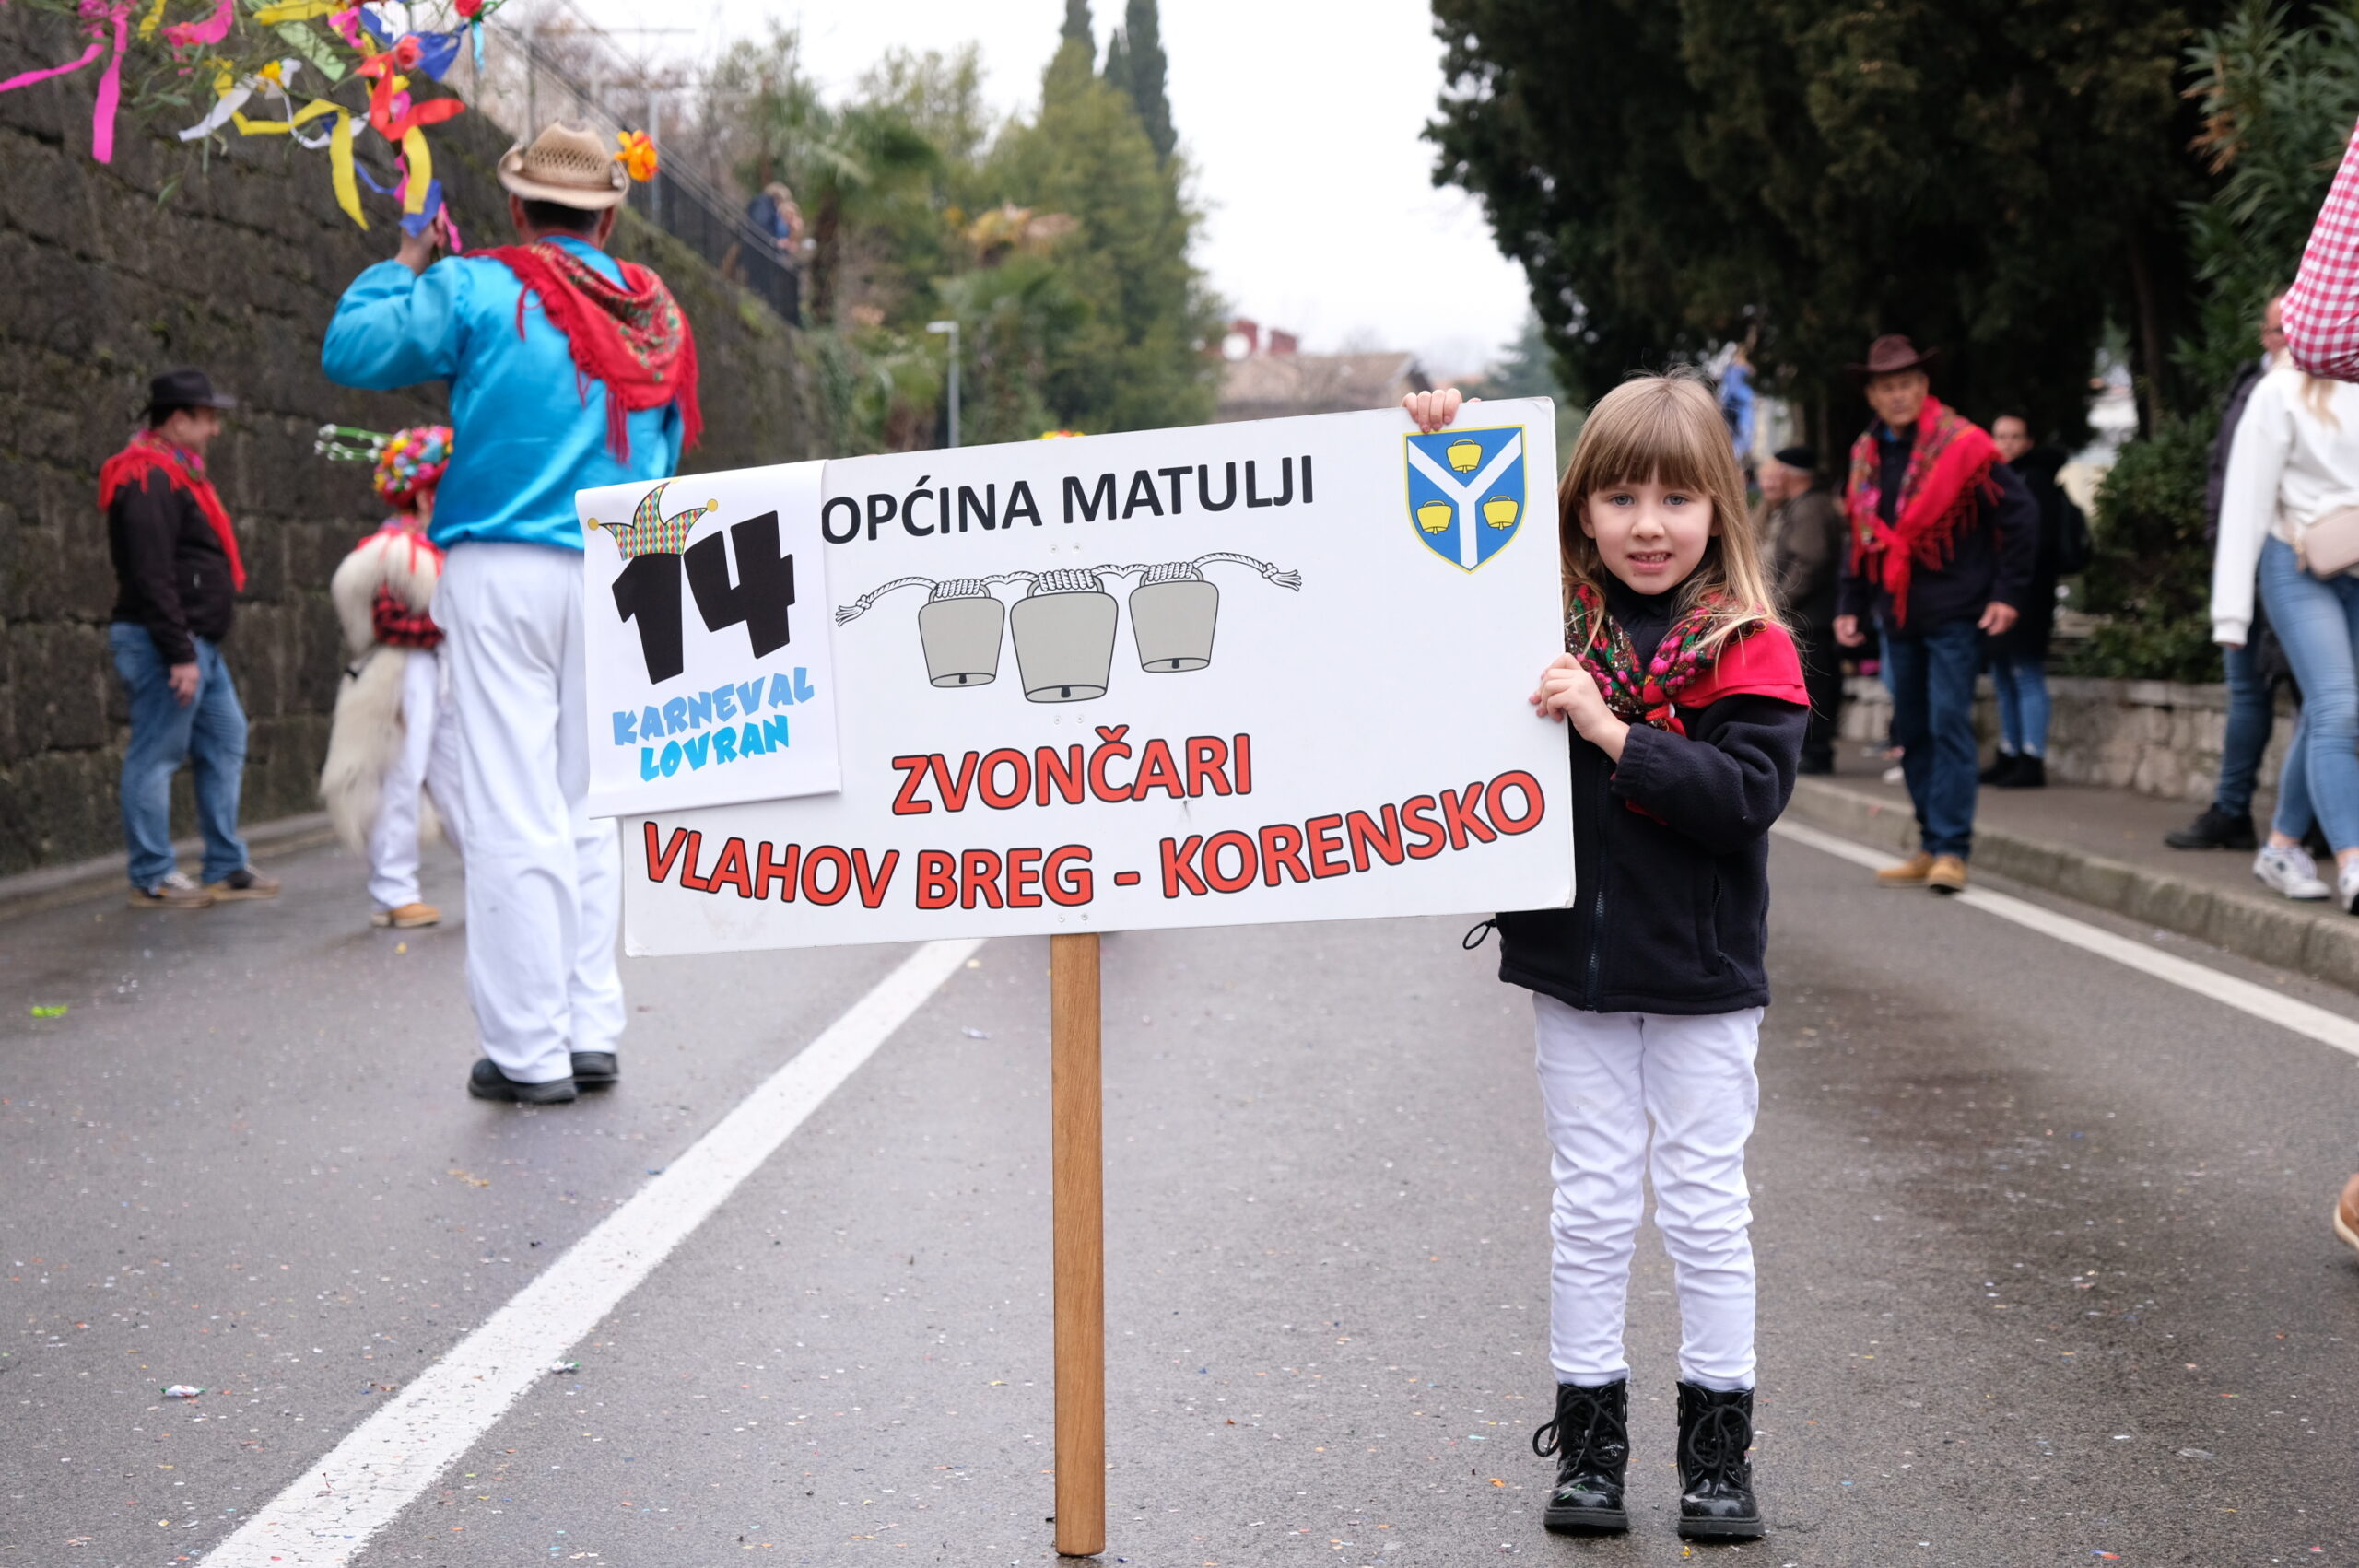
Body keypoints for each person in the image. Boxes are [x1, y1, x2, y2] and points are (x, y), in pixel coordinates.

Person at [1410, 373, 1807, 1543]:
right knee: (1587, 1206)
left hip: (1702, 980)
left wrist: (1609, 730)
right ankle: (1589, 1452)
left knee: (1703, 1209)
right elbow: (1417, 585)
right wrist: (1442, 442)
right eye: (1620, 496)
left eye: (1676, 499)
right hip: (1572, 974)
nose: (1647, 524)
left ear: (1717, 511)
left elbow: (1744, 796)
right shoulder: (1527, 623)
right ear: (1578, 506)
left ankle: (1717, 1458)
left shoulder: (1749, 646)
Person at [323, 123, 702, 1106]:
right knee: (589, 804)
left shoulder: (480, 285)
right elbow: (667, 451)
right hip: (627, 562)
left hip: (504, 563)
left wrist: (408, 257)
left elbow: (352, 347)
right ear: (608, 218)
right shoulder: (656, 311)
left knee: (510, 803)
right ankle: (589, 1026)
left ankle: (530, 1049)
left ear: (517, 207)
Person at [1833, 335, 2038, 895]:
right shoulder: (1865, 455)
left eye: (1906, 384)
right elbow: (1861, 536)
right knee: (1914, 731)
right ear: (1872, 395)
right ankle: (1930, 841)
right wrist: (1850, 604)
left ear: (1924, 386)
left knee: (1949, 725)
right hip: (1896, 615)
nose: (1897, 395)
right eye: (1886, 387)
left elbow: (2020, 516)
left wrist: (2007, 594)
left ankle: (1952, 849)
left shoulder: (1965, 445)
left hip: (1956, 613)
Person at [100, 369, 283, 911]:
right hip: (168, 643)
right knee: (157, 752)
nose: (215, 430)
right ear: (178, 421)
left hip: (195, 642)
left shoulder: (176, 474)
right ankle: (152, 874)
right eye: (207, 419)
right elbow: (151, 574)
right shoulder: (147, 478)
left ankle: (224, 864)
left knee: (226, 737)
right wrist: (179, 653)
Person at [2209, 362, 2359, 911]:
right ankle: (2353, 860)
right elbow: (2244, 502)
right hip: (2296, 563)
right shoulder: (2279, 390)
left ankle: (2280, 848)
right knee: (2339, 706)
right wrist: (2231, 613)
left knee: (2324, 712)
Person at [321, 427, 466, 930]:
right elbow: (390, 623)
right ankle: (394, 890)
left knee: (462, 778)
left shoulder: (432, 546)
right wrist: (449, 624)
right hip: (407, 672)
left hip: (439, 672)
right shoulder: (396, 551)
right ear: (425, 496)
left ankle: (494, 875)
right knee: (401, 778)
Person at [2169, 294, 2289, 850]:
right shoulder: (2250, 387)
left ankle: (2308, 825)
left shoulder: (2328, 383)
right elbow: (2225, 473)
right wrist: (2224, 540)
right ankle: (2233, 811)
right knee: (2247, 690)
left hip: (2304, 562)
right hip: (2247, 561)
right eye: (2279, 329)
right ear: (2264, 335)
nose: (2287, 339)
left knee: (2320, 700)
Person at [1979, 414, 2088, 790]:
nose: (2006, 443)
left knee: (2025, 673)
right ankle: (2010, 751)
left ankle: (2031, 756)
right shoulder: (1997, 479)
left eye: (2014, 436)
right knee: (2002, 675)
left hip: (2029, 594)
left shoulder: (2035, 482)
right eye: (2000, 436)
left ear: (2028, 442)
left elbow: (2034, 543)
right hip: (1999, 592)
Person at [1756, 445, 1847, 773]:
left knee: (1815, 684)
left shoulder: (1810, 507)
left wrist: (1778, 603)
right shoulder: (1796, 505)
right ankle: (1809, 749)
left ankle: (1817, 751)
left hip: (1811, 616)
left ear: (1788, 473)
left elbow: (1809, 561)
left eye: (1775, 470)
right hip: (1805, 614)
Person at [745, 181, 804, 260]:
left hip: (764, 249)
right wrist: (774, 242)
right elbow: (758, 225)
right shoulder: (764, 203)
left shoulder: (774, 212)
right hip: (755, 247)